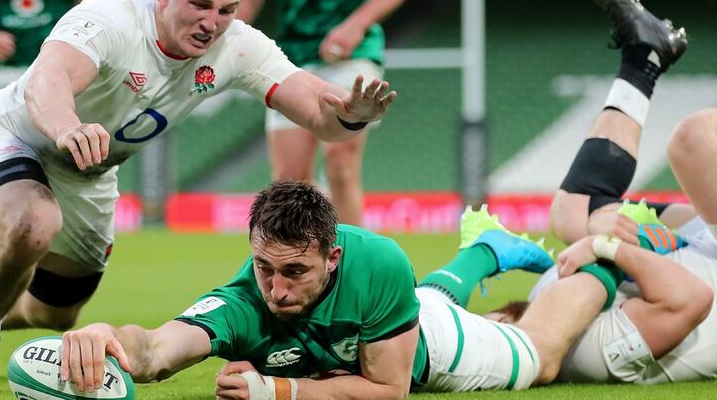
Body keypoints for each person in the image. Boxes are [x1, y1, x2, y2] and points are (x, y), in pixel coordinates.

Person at [0, 0, 399, 394]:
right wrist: (68, 126)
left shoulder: (237, 46)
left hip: (88, 173)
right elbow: (48, 80)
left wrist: (352, 114)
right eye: (199, 4)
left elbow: (319, 111)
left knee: (57, 314)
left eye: (226, 10)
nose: (211, 23)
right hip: (12, 133)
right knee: (33, 221)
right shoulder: (111, 18)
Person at [59, 180, 677, 398]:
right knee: (419, 301)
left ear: (332, 256)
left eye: (294, 273)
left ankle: (610, 253)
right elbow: (158, 349)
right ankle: (487, 248)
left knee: (540, 355)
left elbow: (389, 389)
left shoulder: (377, 260)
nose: (273, 289)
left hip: (433, 353)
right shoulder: (245, 298)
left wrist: (278, 390)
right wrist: (105, 336)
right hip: (401, 316)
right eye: (263, 268)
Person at [485, 0, 717, 385]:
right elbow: (690, 299)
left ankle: (644, 56)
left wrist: (601, 232)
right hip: (705, 269)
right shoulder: (581, 352)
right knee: (693, 140)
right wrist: (603, 242)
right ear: (504, 322)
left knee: (573, 213)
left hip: (698, 245)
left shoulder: (553, 306)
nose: (469, 330)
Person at [236, 0, 414, 225]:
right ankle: (304, 258)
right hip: (292, 59)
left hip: (351, 55)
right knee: (289, 182)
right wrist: (225, 32)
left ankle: (350, 262)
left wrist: (355, 26)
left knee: (340, 160)